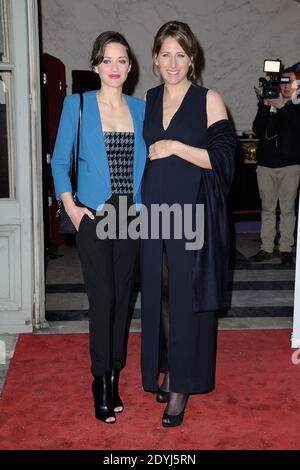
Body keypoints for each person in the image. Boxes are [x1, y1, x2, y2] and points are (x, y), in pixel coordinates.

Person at [140, 21, 236, 427]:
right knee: (160, 295)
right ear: (155, 58)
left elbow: (224, 158)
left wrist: (178, 146)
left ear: (192, 58)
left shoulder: (208, 98)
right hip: (152, 215)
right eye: (166, 53)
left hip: (191, 215)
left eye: (181, 54)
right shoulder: (148, 97)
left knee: (185, 298)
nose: (173, 62)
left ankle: (182, 383)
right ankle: (167, 364)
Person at [51, 31, 147, 423]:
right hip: (92, 214)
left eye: (122, 60)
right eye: (107, 60)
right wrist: (70, 206)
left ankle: (115, 373)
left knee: (123, 299)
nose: (115, 67)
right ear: (95, 66)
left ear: (130, 66)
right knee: (103, 298)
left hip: (132, 215)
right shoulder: (77, 105)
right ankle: (101, 380)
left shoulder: (141, 109)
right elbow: (59, 162)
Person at [251, 68, 300, 265]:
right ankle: (266, 248)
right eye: (283, 82)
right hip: (266, 166)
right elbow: (257, 129)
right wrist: (265, 106)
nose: (286, 85)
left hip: (290, 166)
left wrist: (282, 106)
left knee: (288, 209)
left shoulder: (297, 105)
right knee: (267, 209)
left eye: (290, 82)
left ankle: (286, 248)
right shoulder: (269, 104)